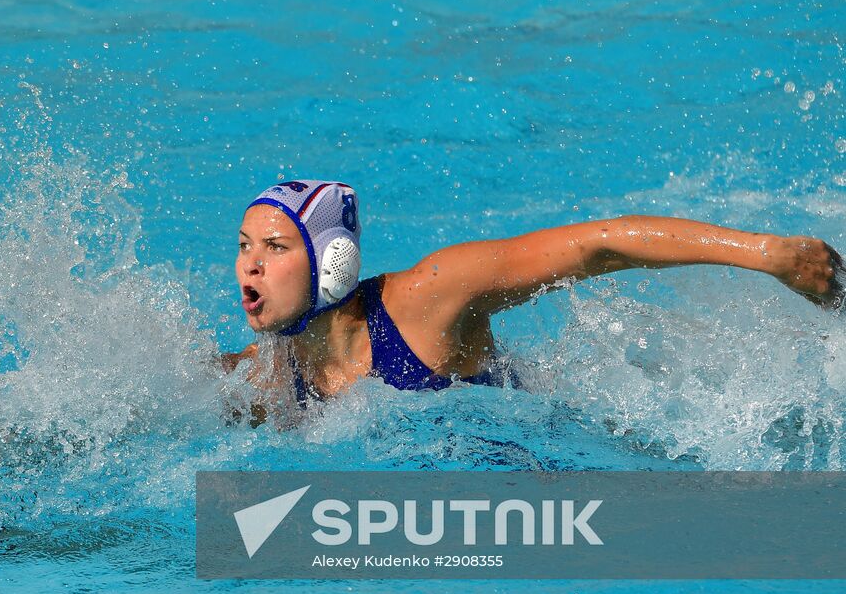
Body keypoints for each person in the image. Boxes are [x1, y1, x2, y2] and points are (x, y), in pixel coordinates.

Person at [227, 180, 843, 410]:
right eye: (244, 245)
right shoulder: (275, 373)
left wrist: (770, 255)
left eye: (275, 249)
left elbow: (597, 245)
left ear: (332, 261)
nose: (249, 266)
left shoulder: (431, 295)